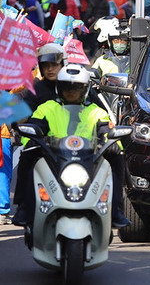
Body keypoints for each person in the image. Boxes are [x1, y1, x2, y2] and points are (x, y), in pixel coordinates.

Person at [11, 64, 130, 228]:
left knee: (116, 157)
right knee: (28, 154)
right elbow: (34, 126)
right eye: (67, 88)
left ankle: (116, 210)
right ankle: (23, 207)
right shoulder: (47, 108)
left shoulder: (96, 111)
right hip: (53, 158)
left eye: (77, 88)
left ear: (86, 90)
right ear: (59, 89)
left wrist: (111, 142)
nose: (71, 92)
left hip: (89, 160)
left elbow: (105, 129)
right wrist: (31, 139)